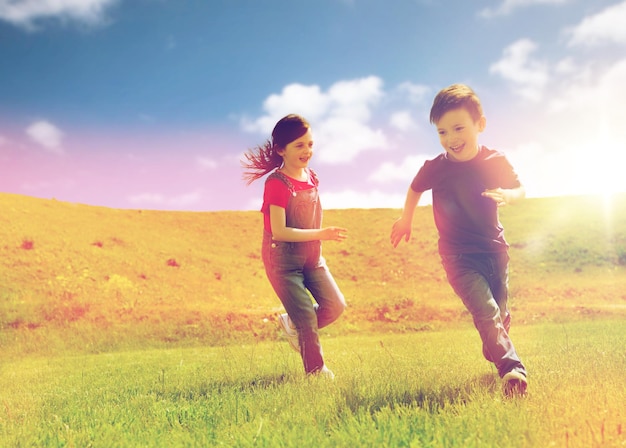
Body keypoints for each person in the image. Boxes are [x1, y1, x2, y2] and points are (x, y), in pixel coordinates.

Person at [390, 84, 528, 397]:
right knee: (487, 312)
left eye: (458, 128)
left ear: (480, 125)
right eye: (442, 132)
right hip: (457, 257)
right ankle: (513, 370)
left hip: (496, 251)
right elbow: (414, 188)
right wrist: (407, 218)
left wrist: (509, 195)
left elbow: (520, 189)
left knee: (499, 314)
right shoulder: (436, 168)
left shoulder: (495, 160)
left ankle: (495, 344)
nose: (451, 139)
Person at [242, 114, 347, 379]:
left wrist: (318, 240)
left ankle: (293, 323)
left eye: (310, 144)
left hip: (311, 259)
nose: (307, 151)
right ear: (281, 150)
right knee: (308, 320)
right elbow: (279, 231)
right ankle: (316, 372)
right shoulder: (277, 184)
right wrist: (322, 233)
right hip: (283, 263)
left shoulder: (312, 177)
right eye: (299, 145)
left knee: (335, 306)